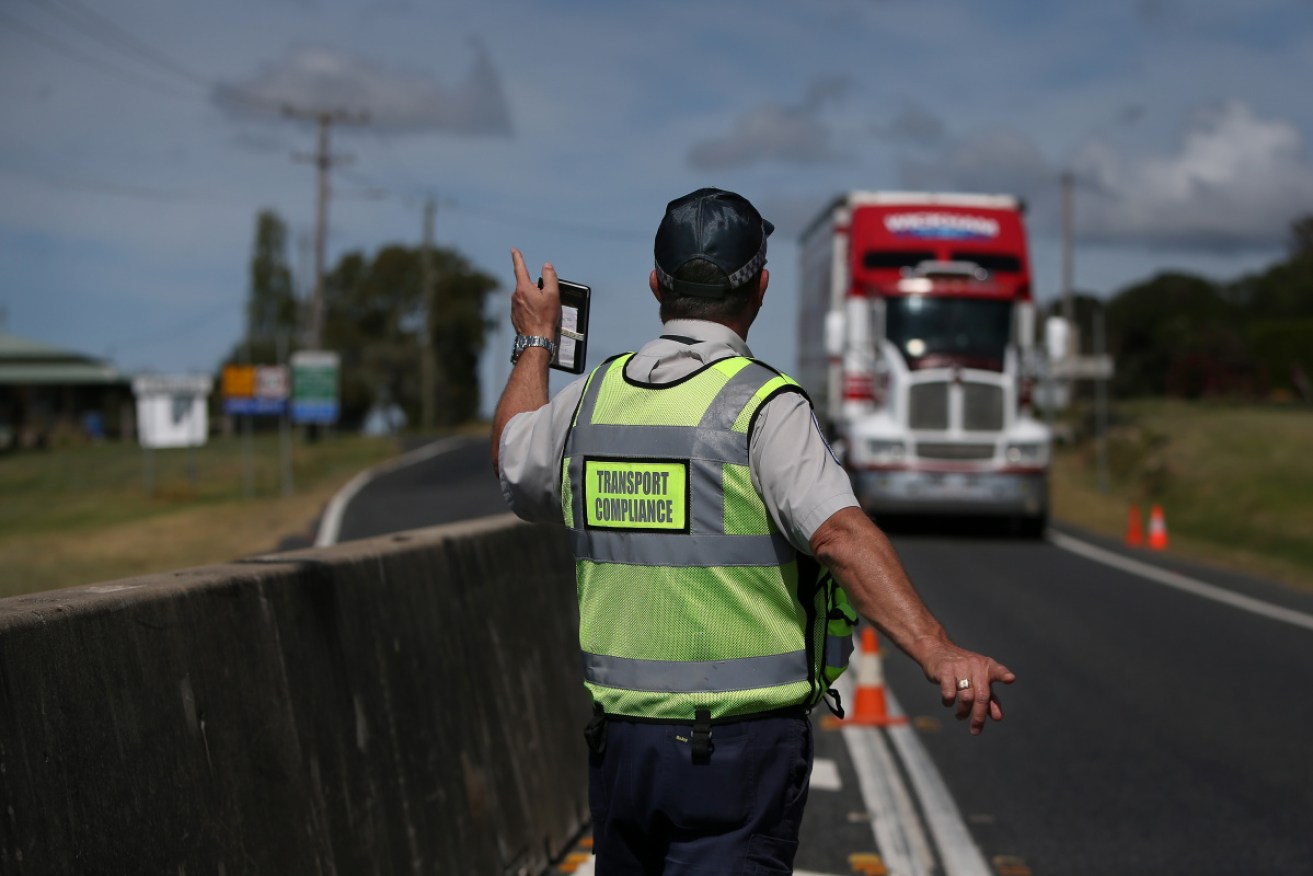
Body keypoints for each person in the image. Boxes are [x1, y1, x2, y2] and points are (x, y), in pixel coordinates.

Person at [492, 187, 1015, 875]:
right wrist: (935, 649)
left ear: (655, 283)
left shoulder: (590, 398)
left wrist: (535, 341)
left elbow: (514, 468)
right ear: (760, 287)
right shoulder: (763, 407)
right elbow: (839, 537)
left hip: (622, 751)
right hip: (735, 758)